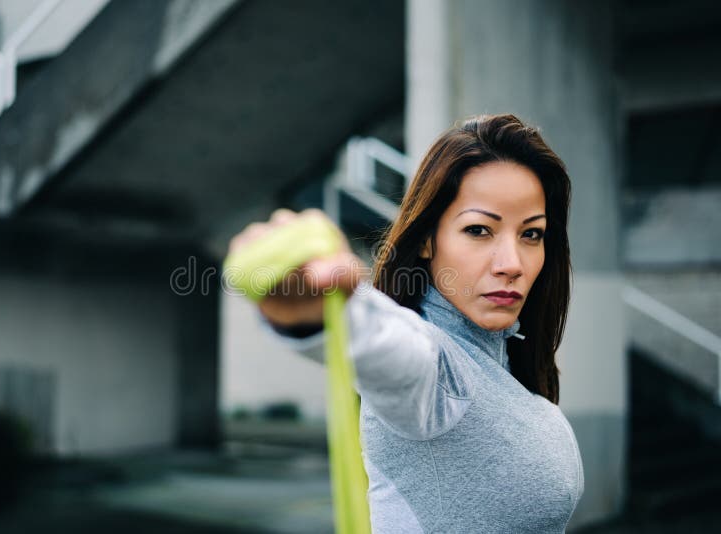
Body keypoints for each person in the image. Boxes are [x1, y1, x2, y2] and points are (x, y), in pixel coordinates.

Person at [227, 114, 584, 533]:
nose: (512, 264)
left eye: (531, 235)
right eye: (479, 230)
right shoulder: (439, 372)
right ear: (429, 239)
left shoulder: (506, 361)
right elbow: (394, 350)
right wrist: (326, 310)